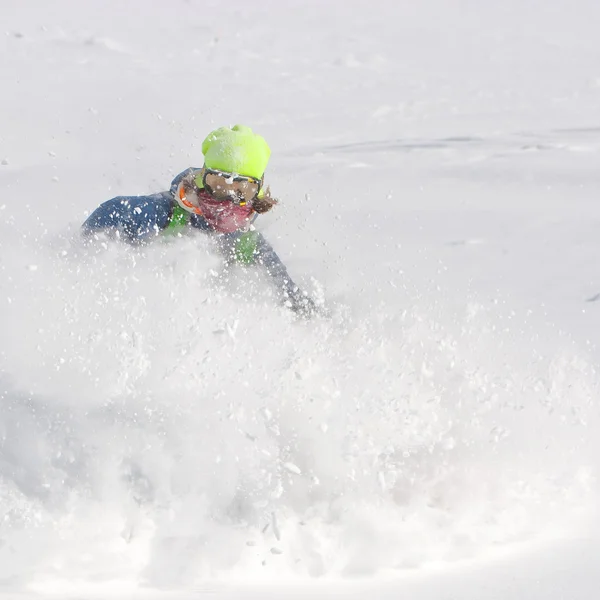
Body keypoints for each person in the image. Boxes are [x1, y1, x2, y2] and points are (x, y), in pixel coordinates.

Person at [82, 124, 317, 317]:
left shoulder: (248, 243)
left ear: (256, 194)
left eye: (241, 190)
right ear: (203, 179)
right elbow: (108, 218)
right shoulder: (159, 213)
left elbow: (291, 299)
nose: (227, 199)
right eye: (218, 184)